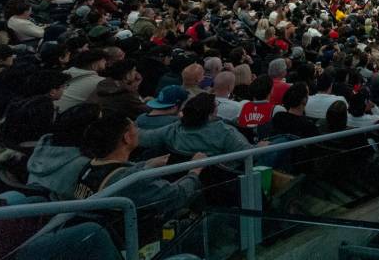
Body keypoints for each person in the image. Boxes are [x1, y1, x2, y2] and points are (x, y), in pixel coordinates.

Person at [75, 113, 205, 219]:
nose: (138, 131)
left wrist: (148, 164)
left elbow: (121, 173)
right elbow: (176, 196)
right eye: (135, 127)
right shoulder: (131, 181)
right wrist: (195, 170)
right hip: (131, 239)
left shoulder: (89, 166)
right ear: (127, 138)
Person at [139, 92, 256, 156]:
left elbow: (143, 138)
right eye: (216, 106)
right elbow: (250, 154)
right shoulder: (225, 132)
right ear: (210, 114)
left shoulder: (173, 130)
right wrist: (260, 147)